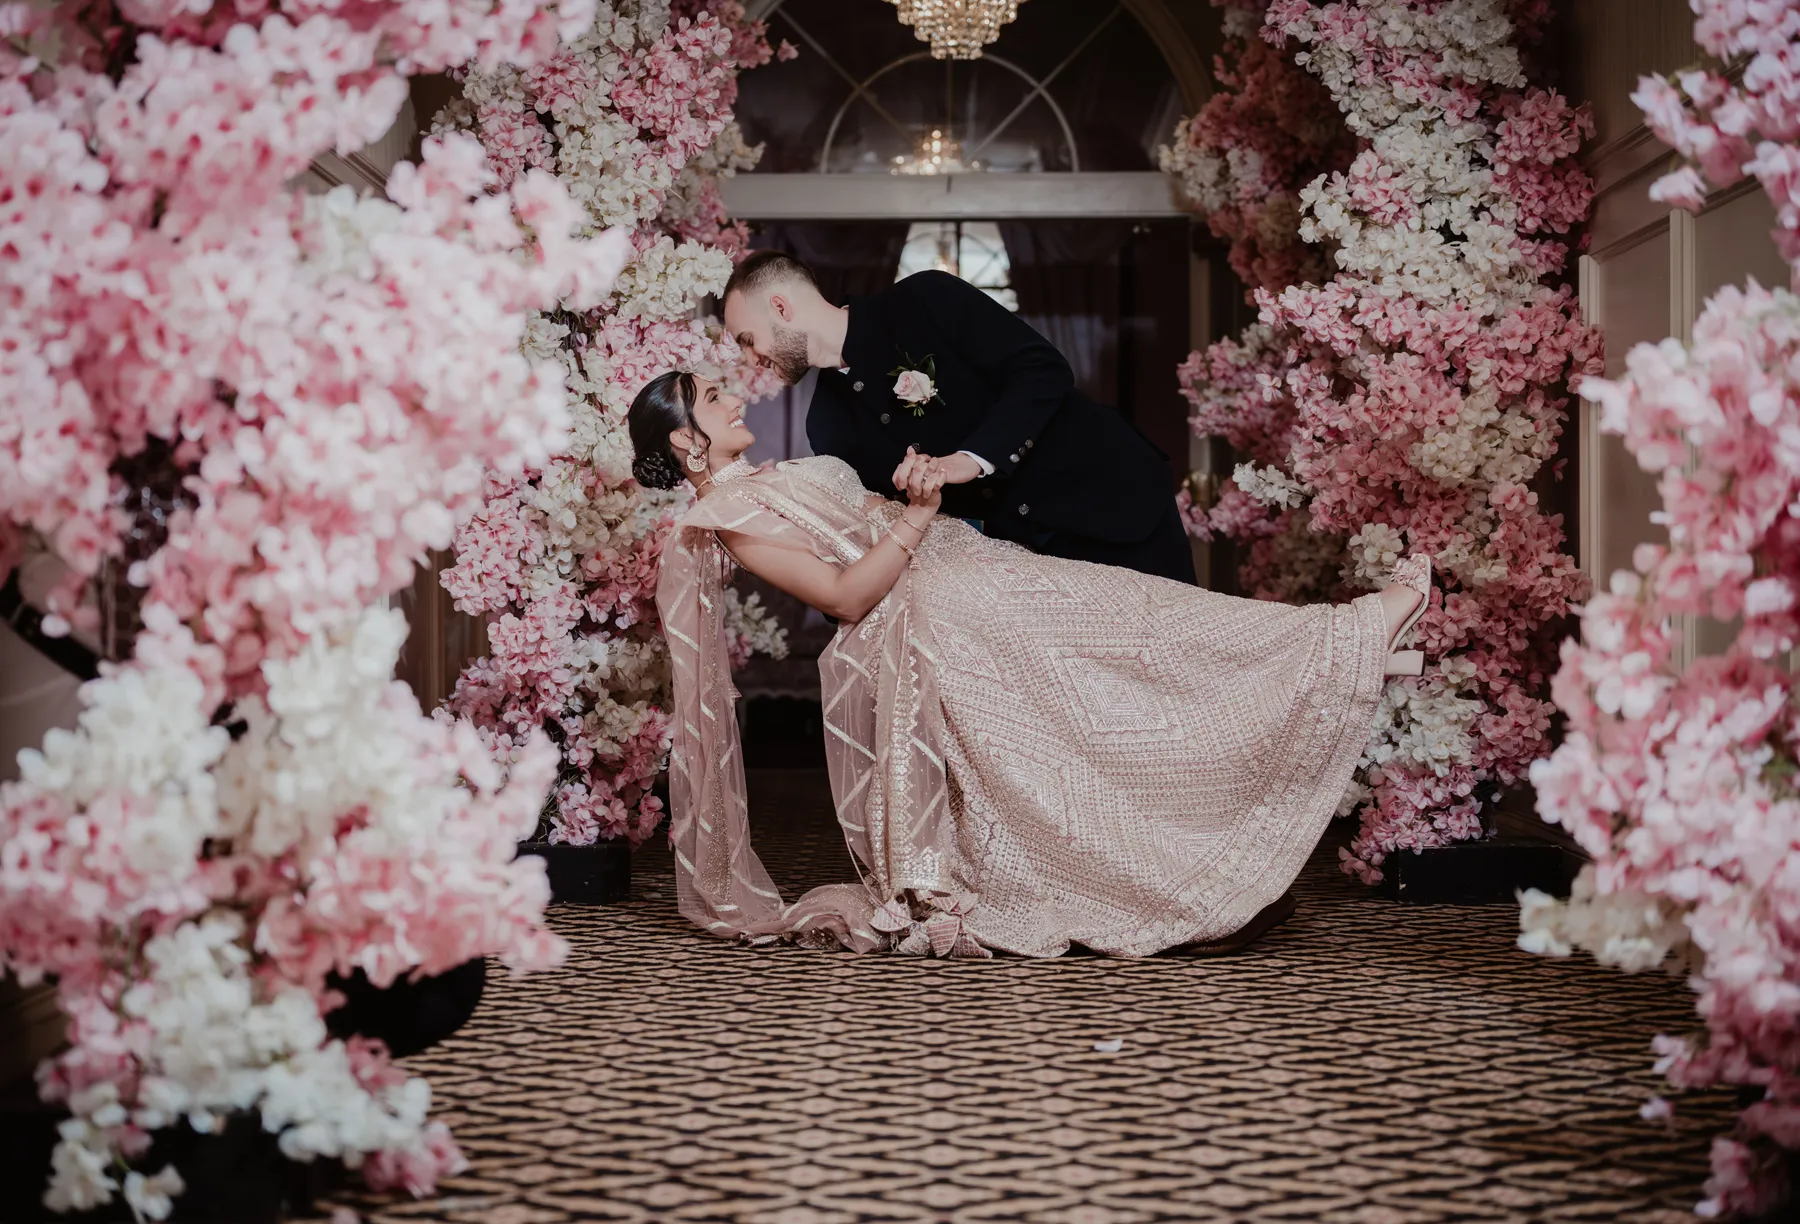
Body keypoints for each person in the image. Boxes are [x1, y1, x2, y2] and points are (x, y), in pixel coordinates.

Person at [629, 371, 1429, 958]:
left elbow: (862, 533)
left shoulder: (767, 482)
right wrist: (916, 517)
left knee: (1132, 645)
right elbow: (843, 596)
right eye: (712, 398)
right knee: (1136, 647)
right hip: (942, 612)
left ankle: (1340, 652)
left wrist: (916, 495)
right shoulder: (728, 515)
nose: (734, 398)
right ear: (685, 440)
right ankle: (1351, 638)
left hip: (965, 575)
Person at [721, 250, 1198, 585]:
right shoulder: (827, 426)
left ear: (780, 307)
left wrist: (968, 460)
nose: (749, 359)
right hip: (1032, 566)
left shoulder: (925, 299)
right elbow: (887, 529)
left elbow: (1043, 371)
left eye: (746, 340)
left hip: (1114, 500)